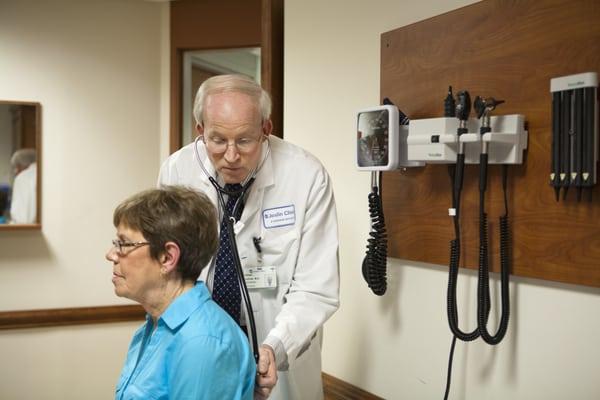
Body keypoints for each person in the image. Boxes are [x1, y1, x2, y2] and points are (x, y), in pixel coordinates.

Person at [158, 74, 340, 400]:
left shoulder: (306, 176)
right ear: (200, 131)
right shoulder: (177, 172)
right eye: (217, 141)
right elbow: (168, 270)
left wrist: (276, 346)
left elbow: (316, 288)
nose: (231, 155)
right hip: (201, 347)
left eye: (245, 141)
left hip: (278, 349)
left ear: (266, 130)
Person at [106, 186, 256, 400]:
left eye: (123, 244)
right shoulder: (152, 328)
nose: (111, 255)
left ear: (167, 258)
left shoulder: (201, 343)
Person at [9, 148, 37, 224]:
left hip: (27, 231)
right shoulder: (45, 172)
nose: (15, 172)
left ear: (21, 165)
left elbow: (21, 217)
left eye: (16, 167)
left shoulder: (22, 178)